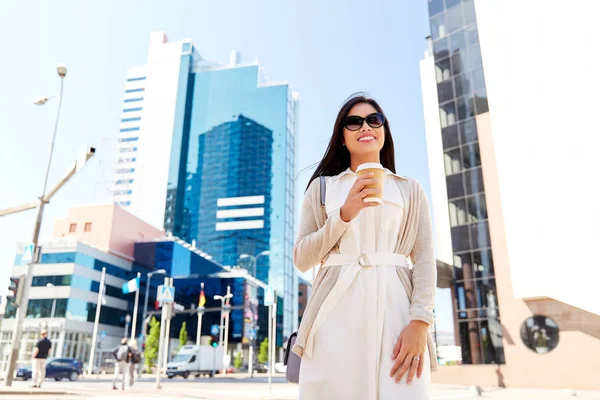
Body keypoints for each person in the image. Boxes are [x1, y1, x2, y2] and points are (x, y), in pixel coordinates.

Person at [293, 94, 438, 400]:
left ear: (384, 131)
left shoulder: (409, 189)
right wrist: (344, 214)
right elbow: (302, 259)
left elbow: (424, 257)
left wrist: (421, 321)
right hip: (335, 311)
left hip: (397, 308)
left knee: (404, 389)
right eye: (353, 121)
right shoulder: (322, 189)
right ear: (342, 137)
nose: (365, 126)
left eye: (374, 119)